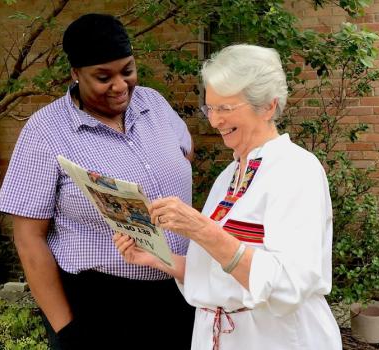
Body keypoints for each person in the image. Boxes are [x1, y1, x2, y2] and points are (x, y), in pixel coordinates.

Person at [114, 44, 342, 350]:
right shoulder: (229, 176)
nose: (214, 121)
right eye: (210, 108)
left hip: (276, 340)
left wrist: (202, 229)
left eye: (226, 108)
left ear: (268, 107)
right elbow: (216, 272)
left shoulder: (296, 169)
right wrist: (155, 257)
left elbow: (290, 284)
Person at [0, 13, 195, 350]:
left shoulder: (155, 104)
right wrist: (67, 330)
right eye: (103, 77)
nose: (119, 86)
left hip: (183, 292)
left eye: (127, 71)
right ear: (75, 74)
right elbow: (29, 238)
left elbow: (186, 154)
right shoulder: (45, 132)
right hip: (100, 306)